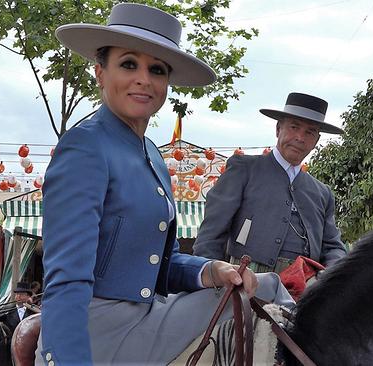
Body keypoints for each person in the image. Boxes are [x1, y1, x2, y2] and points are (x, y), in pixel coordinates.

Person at [37, 4, 294, 365]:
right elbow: (66, 280)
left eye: (156, 69)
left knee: (261, 286)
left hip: (148, 317)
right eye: (129, 64)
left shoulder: (153, 157)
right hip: (94, 332)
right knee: (268, 291)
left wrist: (210, 270)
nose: (144, 78)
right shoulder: (85, 147)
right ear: (99, 72)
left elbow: (165, 264)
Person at [194, 92, 347, 273]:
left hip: (305, 290)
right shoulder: (244, 169)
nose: (300, 137)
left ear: (316, 141)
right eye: (294, 127)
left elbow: (332, 246)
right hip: (245, 283)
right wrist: (210, 278)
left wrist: (333, 274)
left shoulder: (322, 193)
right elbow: (211, 235)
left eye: (310, 132)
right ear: (278, 129)